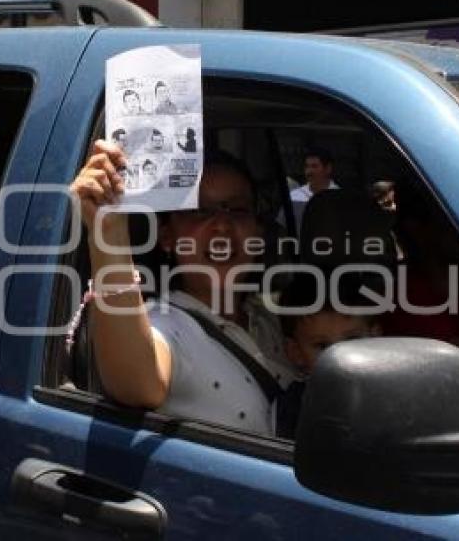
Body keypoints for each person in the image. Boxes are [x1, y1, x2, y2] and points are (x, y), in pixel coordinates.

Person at [69, 140, 293, 435]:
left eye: (237, 210)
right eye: (199, 212)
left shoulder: (272, 318)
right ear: (167, 237)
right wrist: (108, 232)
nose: (222, 226)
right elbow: (135, 382)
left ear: (259, 232)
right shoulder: (164, 325)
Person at [275, 272, 381, 438]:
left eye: (352, 339)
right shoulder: (293, 411)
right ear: (295, 353)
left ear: (375, 337)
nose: (340, 357)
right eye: (322, 346)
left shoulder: (390, 393)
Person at [287, 149, 339, 232]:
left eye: (314, 166)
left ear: (328, 169)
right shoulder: (294, 196)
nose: (309, 171)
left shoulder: (340, 197)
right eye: (307, 166)